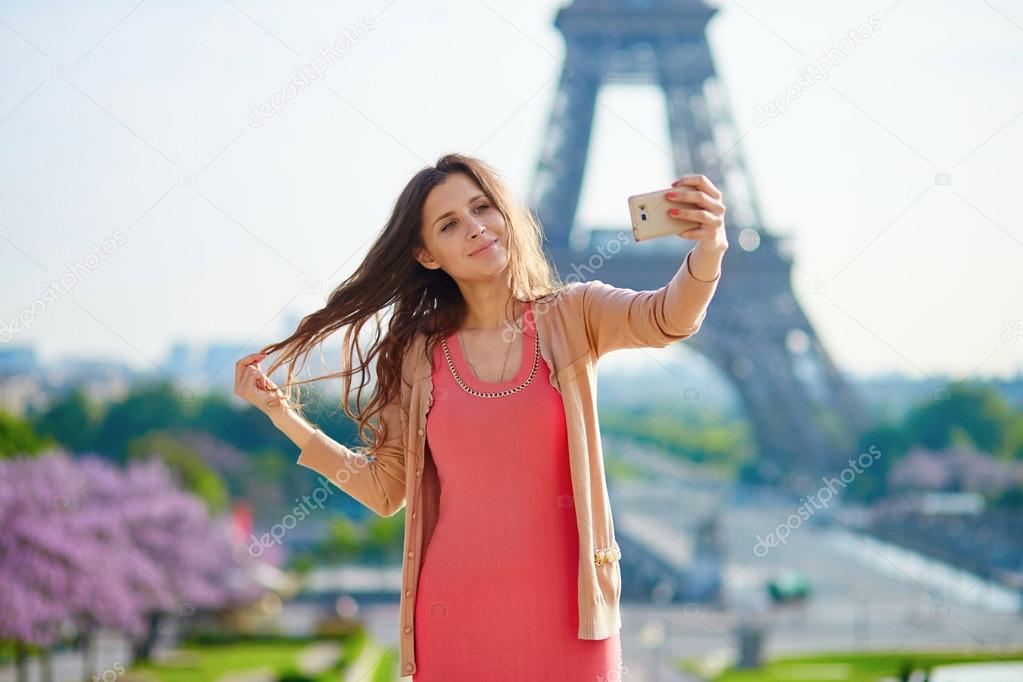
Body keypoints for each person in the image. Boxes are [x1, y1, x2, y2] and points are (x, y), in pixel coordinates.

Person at [234, 153, 727, 680]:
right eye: (450, 224)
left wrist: (711, 246)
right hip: (454, 614)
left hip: (572, 617)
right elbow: (385, 489)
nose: (475, 228)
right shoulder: (416, 355)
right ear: (426, 255)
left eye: (482, 207)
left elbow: (669, 317)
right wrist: (284, 417)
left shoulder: (575, 314)